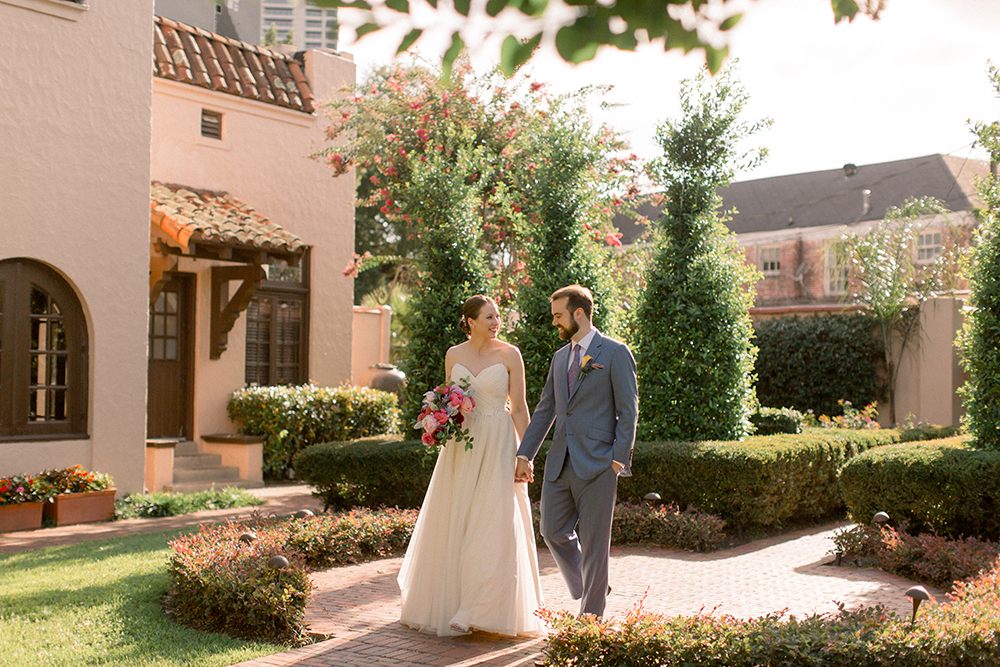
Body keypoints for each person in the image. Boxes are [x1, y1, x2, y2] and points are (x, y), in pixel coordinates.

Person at [398, 295, 545, 637]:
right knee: (459, 518)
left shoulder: (510, 354)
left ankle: (479, 608)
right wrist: (439, 419)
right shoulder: (454, 354)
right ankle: (455, 602)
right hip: (463, 446)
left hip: (499, 441)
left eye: (498, 316)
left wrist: (527, 454)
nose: (497, 322)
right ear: (470, 321)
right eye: (490, 317)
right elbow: (451, 399)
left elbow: (520, 407)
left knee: (494, 520)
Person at [515, 284, 638, 618]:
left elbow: (629, 410)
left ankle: (590, 619)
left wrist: (617, 459)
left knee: (596, 546)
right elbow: (546, 410)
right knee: (551, 530)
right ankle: (590, 585)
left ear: (579, 313)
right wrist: (525, 453)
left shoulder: (614, 352)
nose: (554, 322)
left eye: (558, 315)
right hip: (560, 462)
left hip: (599, 464)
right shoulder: (559, 358)